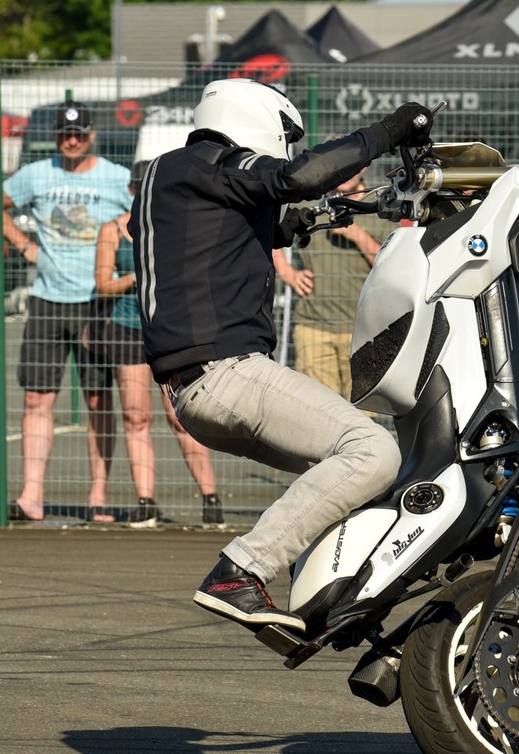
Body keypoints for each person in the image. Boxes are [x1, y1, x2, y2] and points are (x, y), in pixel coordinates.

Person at [132, 78, 430, 630]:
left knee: (356, 478)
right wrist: (389, 131)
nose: (286, 147)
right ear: (255, 118)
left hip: (199, 390)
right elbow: (296, 178)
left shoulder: (168, 180)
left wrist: (317, 217)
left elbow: (233, 232)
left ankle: (330, 595)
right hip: (228, 374)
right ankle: (240, 572)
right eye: (285, 136)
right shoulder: (204, 162)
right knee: (372, 452)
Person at [0, 102, 132, 524]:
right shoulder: (37, 173)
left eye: (79, 133)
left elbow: (143, 217)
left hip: (99, 304)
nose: (72, 140)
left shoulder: (116, 177)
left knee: (99, 402)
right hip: (48, 301)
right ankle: (31, 496)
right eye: (65, 134)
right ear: (55, 136)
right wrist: (25, 246)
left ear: (92, 134)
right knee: (35, 399)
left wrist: (122, 262)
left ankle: (98, 495)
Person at [90, 158, 222, 526]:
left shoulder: (177, 225)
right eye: (138, 187)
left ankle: (211, 499)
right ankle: (145, 500)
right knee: (136, 416)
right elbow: (103, 283)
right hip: (127, 328)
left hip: (169, 329)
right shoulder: (113, 230)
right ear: (132, 189)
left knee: (183, 415)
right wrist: (136, 276)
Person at [270, 170, 390, 397]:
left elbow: (390, 264)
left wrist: (358, 236)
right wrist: (287, 272)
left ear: (364, 168)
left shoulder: (379, 206)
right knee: (319, 408)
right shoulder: (311, 205)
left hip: (362, 330)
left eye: (353, 166)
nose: (345, 174)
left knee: (360, 411)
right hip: (314, 327)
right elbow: (268, 230)